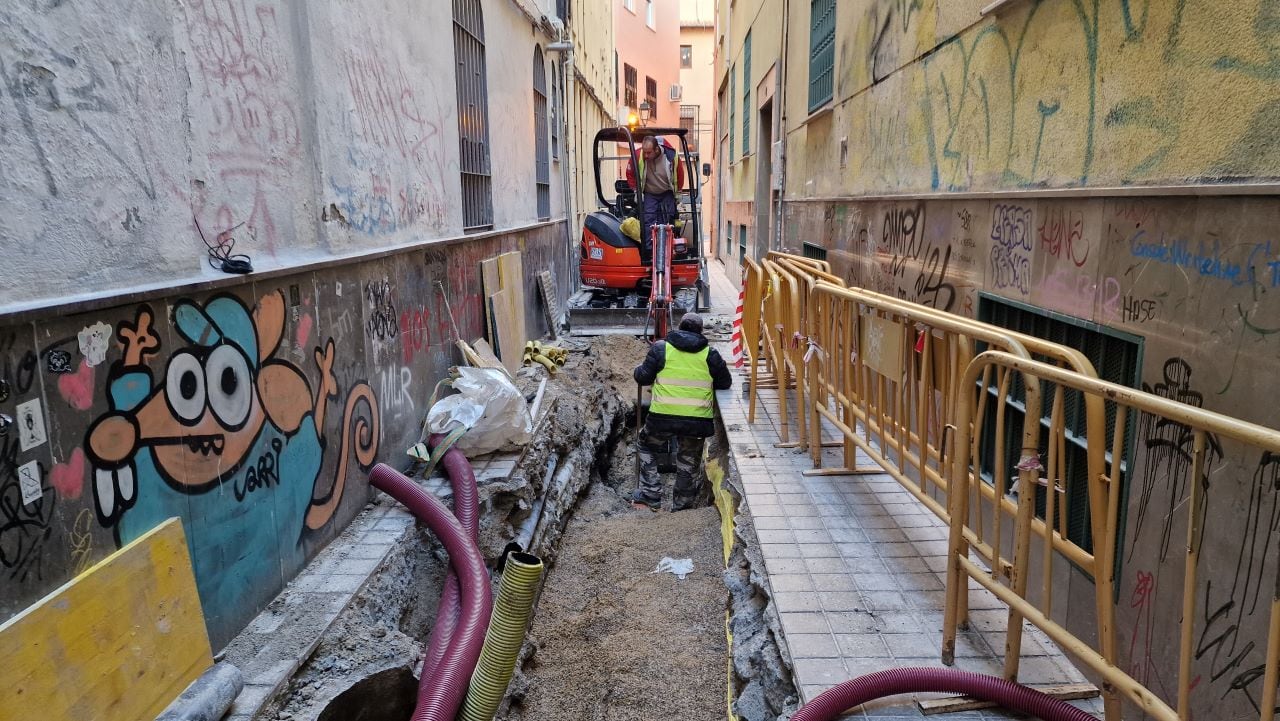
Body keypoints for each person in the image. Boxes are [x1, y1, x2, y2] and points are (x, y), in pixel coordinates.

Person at [631, 313, 733, 511]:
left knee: (646, 445)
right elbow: (725, 382)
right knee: (688, 460)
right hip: (696, 421)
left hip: (662, 418)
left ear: (680, 327)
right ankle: (682, 505)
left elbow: (643, 377)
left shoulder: (661, 348)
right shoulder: (710, 354)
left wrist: (637, 370)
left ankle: (651, 493)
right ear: (700, 331)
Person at [625, 135, 685, 261]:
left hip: (666, 193)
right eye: (644, 152)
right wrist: (636, 190)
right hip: (649, 193)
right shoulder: (638, 155)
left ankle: (666, 252)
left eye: (649, 153)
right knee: (648, 221)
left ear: (657, 149)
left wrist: (678, 194)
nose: (646, 156)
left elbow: (679, 175)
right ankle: (649, 252)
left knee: (668, 221)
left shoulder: (671, 157)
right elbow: (629, 173)